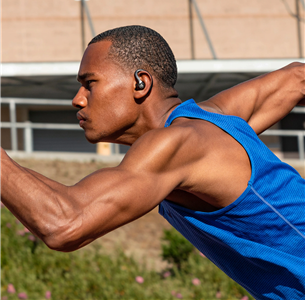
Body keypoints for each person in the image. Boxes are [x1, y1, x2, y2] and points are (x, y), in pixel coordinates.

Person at [1, 25, 304, 300]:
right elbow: (296, 77)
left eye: (89, 83)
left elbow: (64, 223)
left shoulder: (177, 144)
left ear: (140, 83)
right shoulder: (214, 120)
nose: (77, 99)